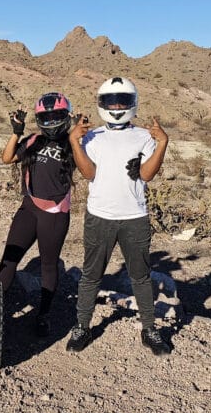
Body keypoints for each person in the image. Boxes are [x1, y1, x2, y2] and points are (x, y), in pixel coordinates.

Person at [65, 76, 171, 355]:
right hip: (99, 215)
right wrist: (75, 142)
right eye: (111, 101)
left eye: (122, 100)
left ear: (133, 103)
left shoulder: (143, 137)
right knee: (91, 275)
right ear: (101, 104)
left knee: (141, 276)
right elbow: (89, 173)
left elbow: (147, 174)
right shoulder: (91, 136)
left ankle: (149, 329)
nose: (116, 106)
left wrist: (162, 144)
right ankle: (82, 326)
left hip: (134, 216)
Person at [0, 93, 76, 337]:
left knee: (48, 264)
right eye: (46, 117)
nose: (51, 122)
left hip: (54, 212)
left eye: (56, 117)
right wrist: (16, 132)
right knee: (9, 258)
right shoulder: (33, 141)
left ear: (66, 117)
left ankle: (43, 314)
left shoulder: (73, 144)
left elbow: (89, 166)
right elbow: (7, 158)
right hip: (29, 207)